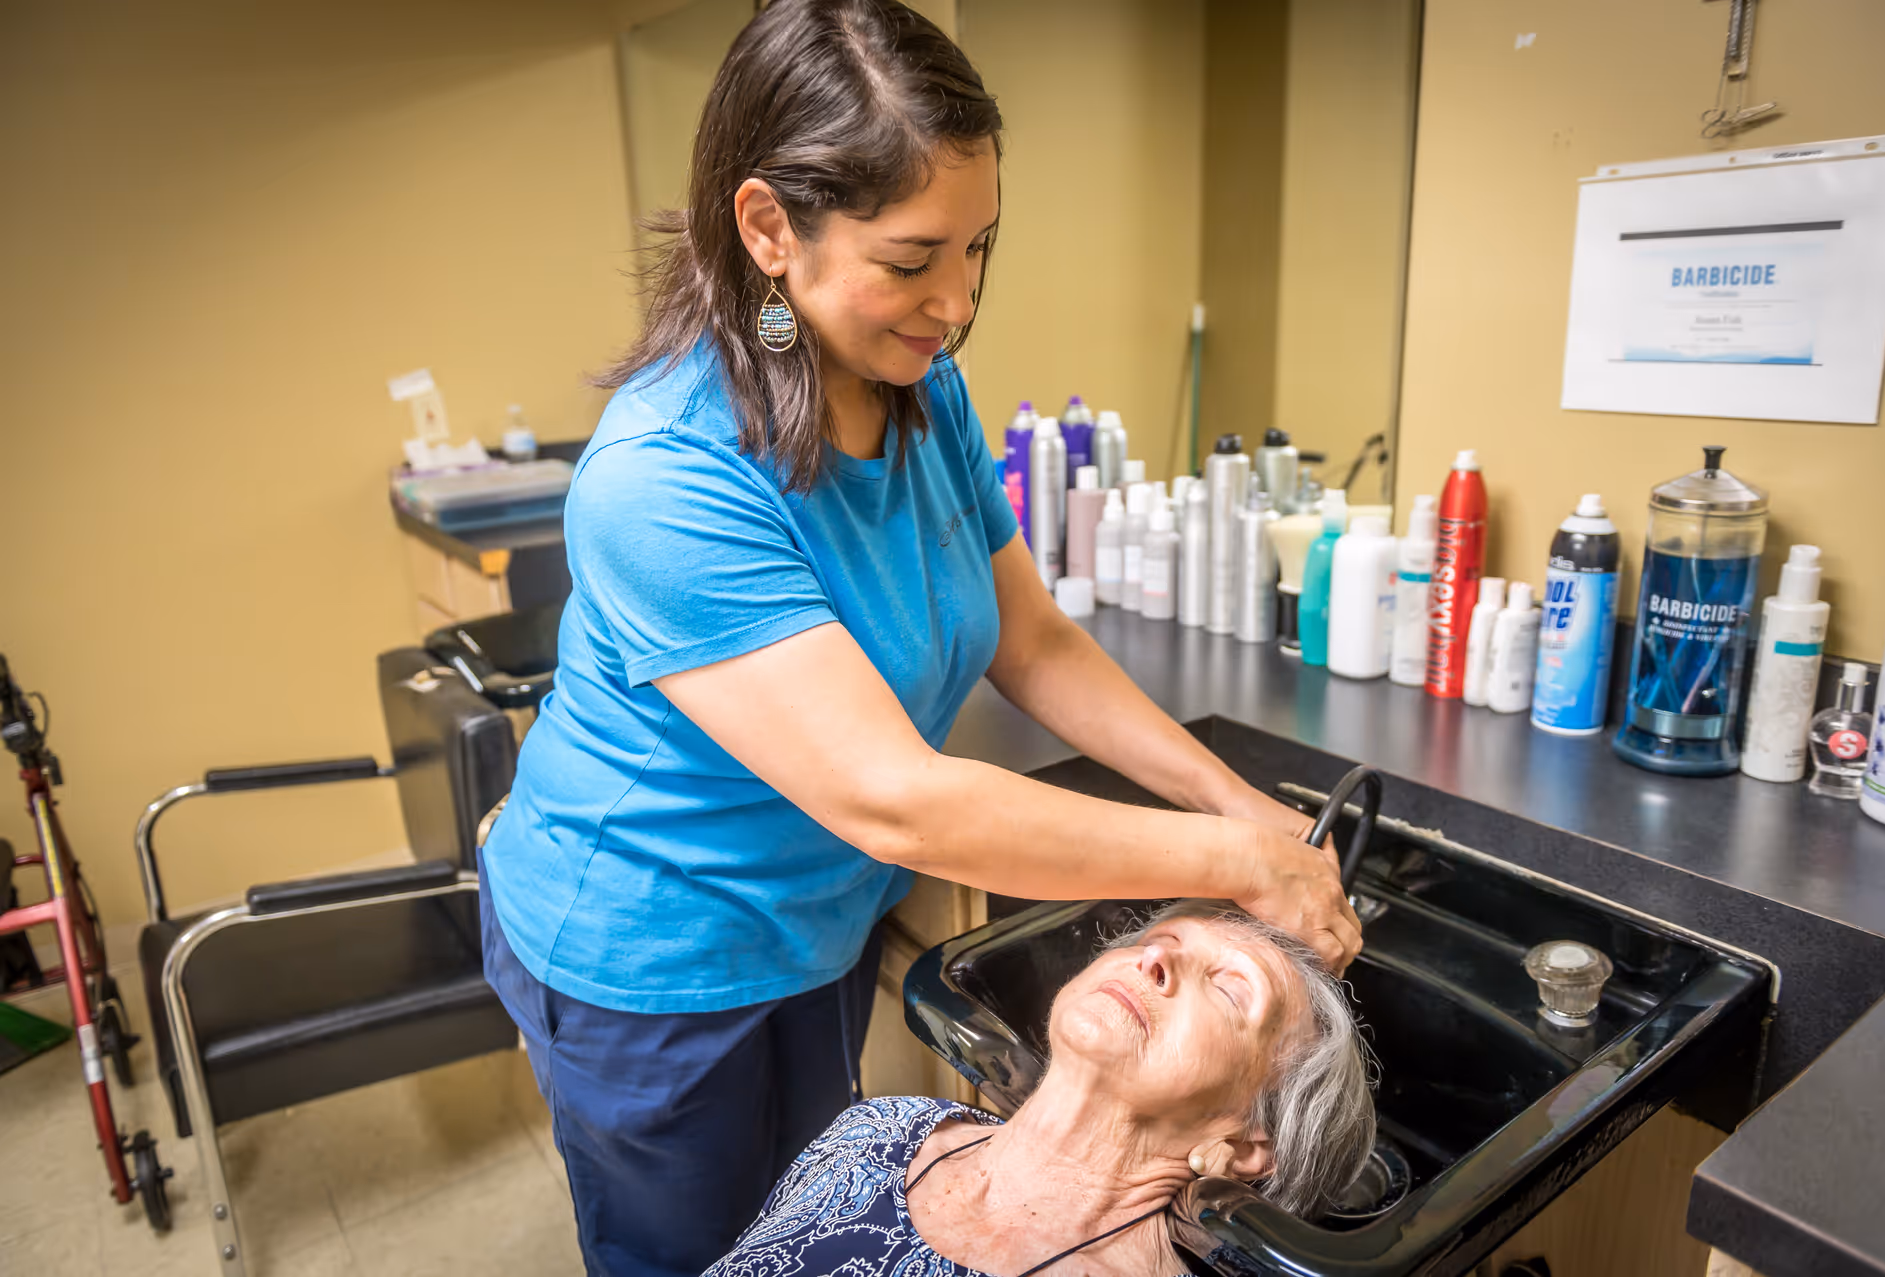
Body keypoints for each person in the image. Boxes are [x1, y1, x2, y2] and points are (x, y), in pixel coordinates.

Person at [475, 1, 1363, 1273]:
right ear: (769, 227)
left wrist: (1243, 809)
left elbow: (1031, 634)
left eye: (979, 248)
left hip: (815, 917)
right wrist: (1233, 860)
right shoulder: (662, 479)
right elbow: (897, 801)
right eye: (911, 259)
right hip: (649, 954)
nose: (954, 302)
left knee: (803, 1227)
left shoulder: (917, 386)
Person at [704, 901, 1377, 1276]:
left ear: (1248, 1139)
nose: (1156, 957)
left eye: (1230, 987)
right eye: (1165, 938)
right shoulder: (879, 1126)